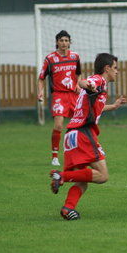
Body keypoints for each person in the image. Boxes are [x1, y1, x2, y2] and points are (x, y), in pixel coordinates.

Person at [49, 53, 127, 220]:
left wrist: (113, 106)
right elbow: (84, 82)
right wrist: (88, 85)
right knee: (103, 175)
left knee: (83, 181)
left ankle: (67, 209)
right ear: (107, 68)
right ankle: (61, 176)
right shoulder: (98, 80)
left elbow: (93, 106)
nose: (117, 72)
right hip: (83, 133)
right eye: (115, 68)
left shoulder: (99, 86)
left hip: (71, 135)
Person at [38, 30, 82, 166]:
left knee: (79, 126)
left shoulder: (75, 57)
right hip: (58, 95)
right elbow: (41, 78)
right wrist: (40, 92)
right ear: (57, 42)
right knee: (58, 125)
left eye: (66, 40)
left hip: (73, 95)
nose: (64, 43)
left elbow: (79, 74)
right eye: (61, 40)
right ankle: (55, 156)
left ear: (70, 42)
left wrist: (78, 84)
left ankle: (78, 154)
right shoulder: (50, 59)